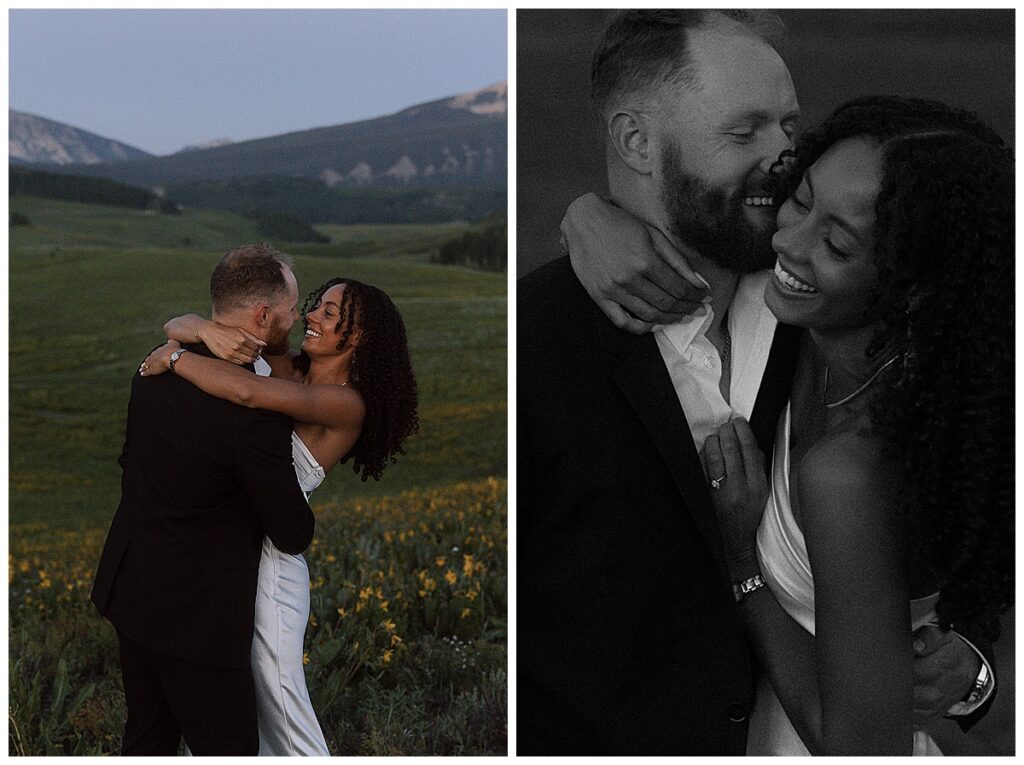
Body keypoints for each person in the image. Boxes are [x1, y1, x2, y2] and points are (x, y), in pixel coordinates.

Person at [519, 10, 992, 755]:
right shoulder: (533, 351)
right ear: (637, 141)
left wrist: (978, 659)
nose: (786, 157)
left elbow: (971, 503)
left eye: (790, 124)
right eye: (745, 132)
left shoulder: (828, 306)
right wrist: (583, 217)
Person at [701, 95, 1013, 754]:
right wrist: (590, 220)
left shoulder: (849, 474)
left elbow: (859, 746)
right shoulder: (810, 337)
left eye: (837, 243)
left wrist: (741, 566)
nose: (788, 240)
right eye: (802, 198)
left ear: (910, 285)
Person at [141, 274, 419, 755]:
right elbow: (179, 322)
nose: (310, 316)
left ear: (358, 338)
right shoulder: (285, 364)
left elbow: (247, 394)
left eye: (329, 315)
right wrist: (202, 332)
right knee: (220, 688)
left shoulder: (346, 404)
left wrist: (177, 357)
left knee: (280, 697)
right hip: (228, 547)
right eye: (315, 306)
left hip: (272, 560)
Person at [91, 244, 315, 755]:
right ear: (263, 314)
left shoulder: (156, 367)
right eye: (291, 308)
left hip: (131, 590)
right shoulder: (250, 410)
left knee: (147, 739)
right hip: (198, 620)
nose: (297, 317)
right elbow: (291, 530)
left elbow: (131, 463)